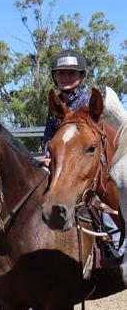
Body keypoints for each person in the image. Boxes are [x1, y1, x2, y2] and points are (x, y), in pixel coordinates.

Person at [42, 49, 124, 265]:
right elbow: (49, 137)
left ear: (81, 76)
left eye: (71, 73)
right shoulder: (55, 106)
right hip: (60, 159)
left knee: (98, 202)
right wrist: (47, 154)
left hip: (83, 162)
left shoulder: (88, 102)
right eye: (61, 73)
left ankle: (114, 244)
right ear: (54, 76)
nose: (65, 77)